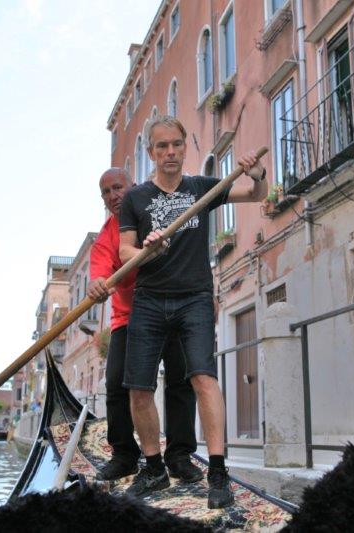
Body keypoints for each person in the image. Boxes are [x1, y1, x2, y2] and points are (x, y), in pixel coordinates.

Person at [118, 116, 267, 508]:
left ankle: (218, 471)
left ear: (186, 147)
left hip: (195, 297)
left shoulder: (203, 188)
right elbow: (124, 254)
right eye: (162, 146)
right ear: (151, 153)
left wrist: (259, 174)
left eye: (176, 145)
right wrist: (147, 249)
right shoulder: (136, 199)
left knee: (203, 378)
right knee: (138, 388)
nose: (170, 153)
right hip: (150, 299)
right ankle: (153, 468)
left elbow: (254, 195)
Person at [86, 167, 202, 483]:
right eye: (106, 192)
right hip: (129, 317)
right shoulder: (107, 237)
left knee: (180, 382)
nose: (113, 196)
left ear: (133, 187)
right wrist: (96, 285)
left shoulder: (157, 213)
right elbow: (98, 273)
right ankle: (125, 455)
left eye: (118, 187)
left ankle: (179, 456)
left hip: (173, 309)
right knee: (116, 385)